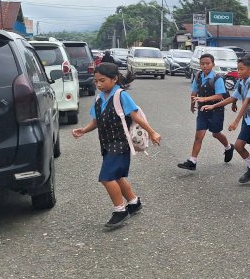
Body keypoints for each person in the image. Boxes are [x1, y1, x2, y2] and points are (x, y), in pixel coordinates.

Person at [72, 63, 161, 228]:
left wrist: (153, 132)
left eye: (102, 80)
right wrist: (83, 130)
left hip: (121, 143)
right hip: (106, 143)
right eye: (96, 81)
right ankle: (134, 203)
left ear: (114, 79)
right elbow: (96, 121)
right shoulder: (99, 98)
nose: (98, 84)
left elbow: (136, 116)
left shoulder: (121, 95)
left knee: (107, 178)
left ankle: (120, 210)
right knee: (118, 176)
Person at [200, 56, 250, 184]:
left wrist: (236, 121)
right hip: (248, 121)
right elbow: (232, 98)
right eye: (238, 69)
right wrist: (213, 105)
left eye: (242, 69)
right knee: (238, 146)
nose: (239, 72)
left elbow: (246, 102)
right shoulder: (242, 83)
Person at [177, 53, 233, 171]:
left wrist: (204, 99)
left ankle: (228, 147)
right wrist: (192, 105)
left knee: (216, 133)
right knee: (199, 135)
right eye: (202, 63)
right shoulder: (198, 77)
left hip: (216, 110)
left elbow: (219, 96)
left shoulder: (217, 78)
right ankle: (192, 161)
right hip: (202, 111)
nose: (205, 66)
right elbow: (194, 93)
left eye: (208, 63)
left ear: (213, 64)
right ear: (199, 64)